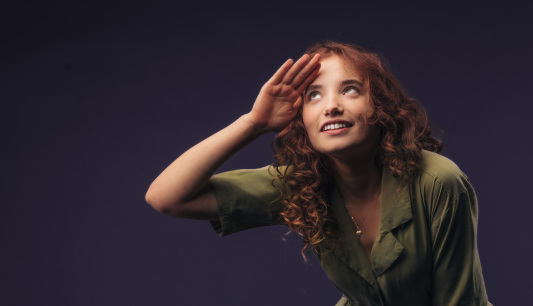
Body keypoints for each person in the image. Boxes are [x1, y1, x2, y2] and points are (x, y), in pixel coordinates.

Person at [146, 41, 491, 305]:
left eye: (350, 89)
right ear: (302, 120)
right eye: (314, 95)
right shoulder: (302, 182)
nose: (331, 106)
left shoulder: (438, 181)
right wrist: (253, 124)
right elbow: (166, 197)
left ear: (380, 106)